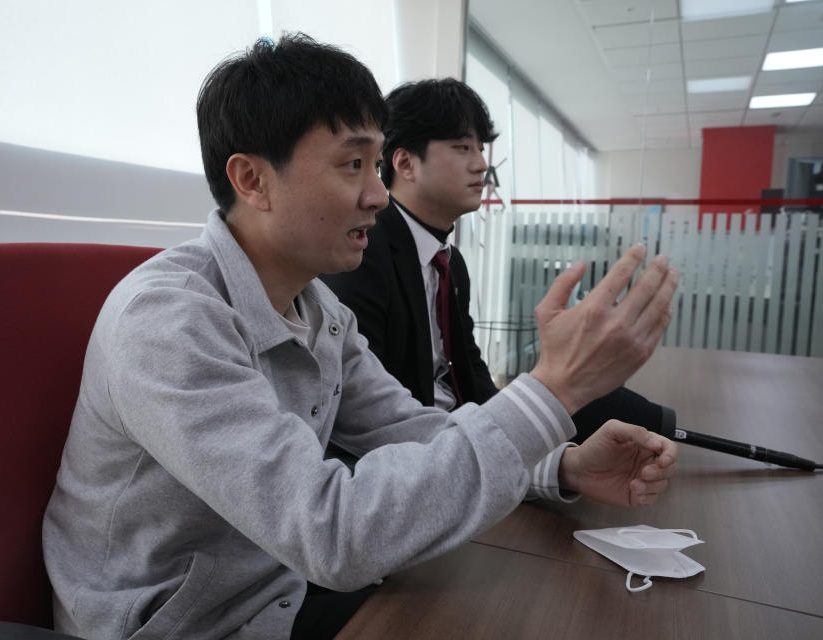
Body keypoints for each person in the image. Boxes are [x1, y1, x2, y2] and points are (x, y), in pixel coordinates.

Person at [42, 34, 680, 640]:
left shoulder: (315, 304)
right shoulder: (169, 323)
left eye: (377, 164)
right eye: (353, 165)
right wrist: (553, 391)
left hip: (275, 589)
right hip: (185, 624)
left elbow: (411, 427)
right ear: (252, 180)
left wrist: (559, 464)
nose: (378, 195)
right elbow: (332, 534)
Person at [321, 78, 676, 441]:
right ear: (406, 163)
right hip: (415, 446)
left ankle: (671, 430)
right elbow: (366, 404)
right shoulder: (364, 248)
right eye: (462, 147)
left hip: (464, 435)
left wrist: (511, 435)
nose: (481, 165)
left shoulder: (450, 263)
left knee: (610, 412)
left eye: (481, 148)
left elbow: (470, 371)